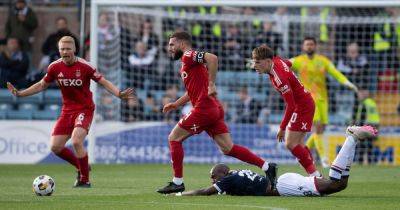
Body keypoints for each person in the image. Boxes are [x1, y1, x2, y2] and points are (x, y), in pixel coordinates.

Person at [157, 31, 275, 194]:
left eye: (171, 44)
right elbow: (193, 91)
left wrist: (212, 84)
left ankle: (178, 182)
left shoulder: (188, 55)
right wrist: (176, 104)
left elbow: (212, 58)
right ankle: (267, 166)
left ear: (182, 44)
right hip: (213, 108)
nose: (169, 48)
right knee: (228, 148)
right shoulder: (187, 63)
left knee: (173, 138)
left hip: (204, 108)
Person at [6, 36, 134, 187]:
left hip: (84, 109)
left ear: (74, 49)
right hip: (67, 110)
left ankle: (85, 180)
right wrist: (21, 93)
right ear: (59, 50)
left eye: (68, 49)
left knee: (76, 141)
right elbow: (41, 85)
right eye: (62, 49)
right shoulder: (54, 67)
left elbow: (103, 81)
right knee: (55, 147)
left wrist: (118, 93)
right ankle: (82, 167)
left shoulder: (85, 66)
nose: (65, 52)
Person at [178, 125, 378, 196]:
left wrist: (181, 195)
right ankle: (352, 140)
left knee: (335, 185)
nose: (213, 181)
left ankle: (350, 138)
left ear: (221, 174)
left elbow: (204, 192)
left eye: (213, 177)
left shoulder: (227, 180)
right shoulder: (234, 178)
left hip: (286, 187)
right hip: (284, 183)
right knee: (340, 185)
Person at [252, 44, 321, 177]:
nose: (254, 65)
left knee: (290, 143)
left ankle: (315, 175)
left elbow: (291, 105)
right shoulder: (277, 60)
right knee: (299, 144)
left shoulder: (279, 79)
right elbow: (289, 63)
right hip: (304, 102)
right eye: (254, 62)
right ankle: (314, 174)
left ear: (267, 61)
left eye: (257, 62)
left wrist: (282, 128)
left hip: (302, 106)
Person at [291, 37, 358, 168]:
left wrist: (347, 83)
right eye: (307, 45)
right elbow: (284, 64)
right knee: (317, 127)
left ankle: (301, 154)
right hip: (308, 99)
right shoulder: (298, 61)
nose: (309, 46)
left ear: (315, 46)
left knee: (321, 129)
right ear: (303, 47)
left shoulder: (323, 61)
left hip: (322, 99)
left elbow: (336, 73)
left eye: (311, 44)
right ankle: (324, 159)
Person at [352, 89, 380, 164]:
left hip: (366, 126)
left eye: (360, 93)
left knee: (362, 145)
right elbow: (376, 115)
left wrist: (358, 127)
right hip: (374, 126)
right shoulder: (372, 102)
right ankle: (371, 162)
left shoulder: (363, 103)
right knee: (370, 146)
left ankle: (360, 162)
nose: (359, 95)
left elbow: (361, 116)